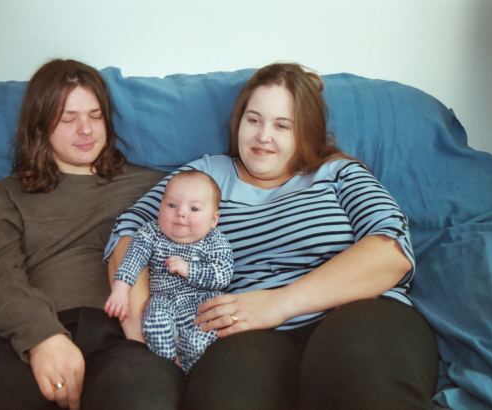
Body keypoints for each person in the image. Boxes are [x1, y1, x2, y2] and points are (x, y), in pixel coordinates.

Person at [104, 63, 439, 409]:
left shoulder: (339, 173)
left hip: (359, 314)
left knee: (363, 383)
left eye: (282, 125)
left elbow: (391, 249)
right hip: (249, 336)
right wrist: (143, 332)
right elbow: (129, 230)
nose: (263, 136)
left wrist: (279, 304)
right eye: (254, 120)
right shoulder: (207, 174)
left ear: (304, 131)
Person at [0, 59, 182, 410]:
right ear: (40, 127)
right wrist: (43, 337)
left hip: (122, 341)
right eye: (68, 119)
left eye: (95, 115)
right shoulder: (10, 194)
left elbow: (212, 216)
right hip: (30, 338)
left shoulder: (155, 187)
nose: (86, 130)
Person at [105, 170, 234, 374]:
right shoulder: (151, 233)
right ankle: (167, 366)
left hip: (201, 301)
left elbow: (223, 274)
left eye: (194, 208)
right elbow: (133, 259)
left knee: (200, 339)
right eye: (171, 205)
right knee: (155, 325)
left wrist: (189, 270)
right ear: (160, 207)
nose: (180, 213)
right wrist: (121, 288)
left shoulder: (215, 241)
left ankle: (189, 369)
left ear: (213, 219)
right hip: (162, 299)